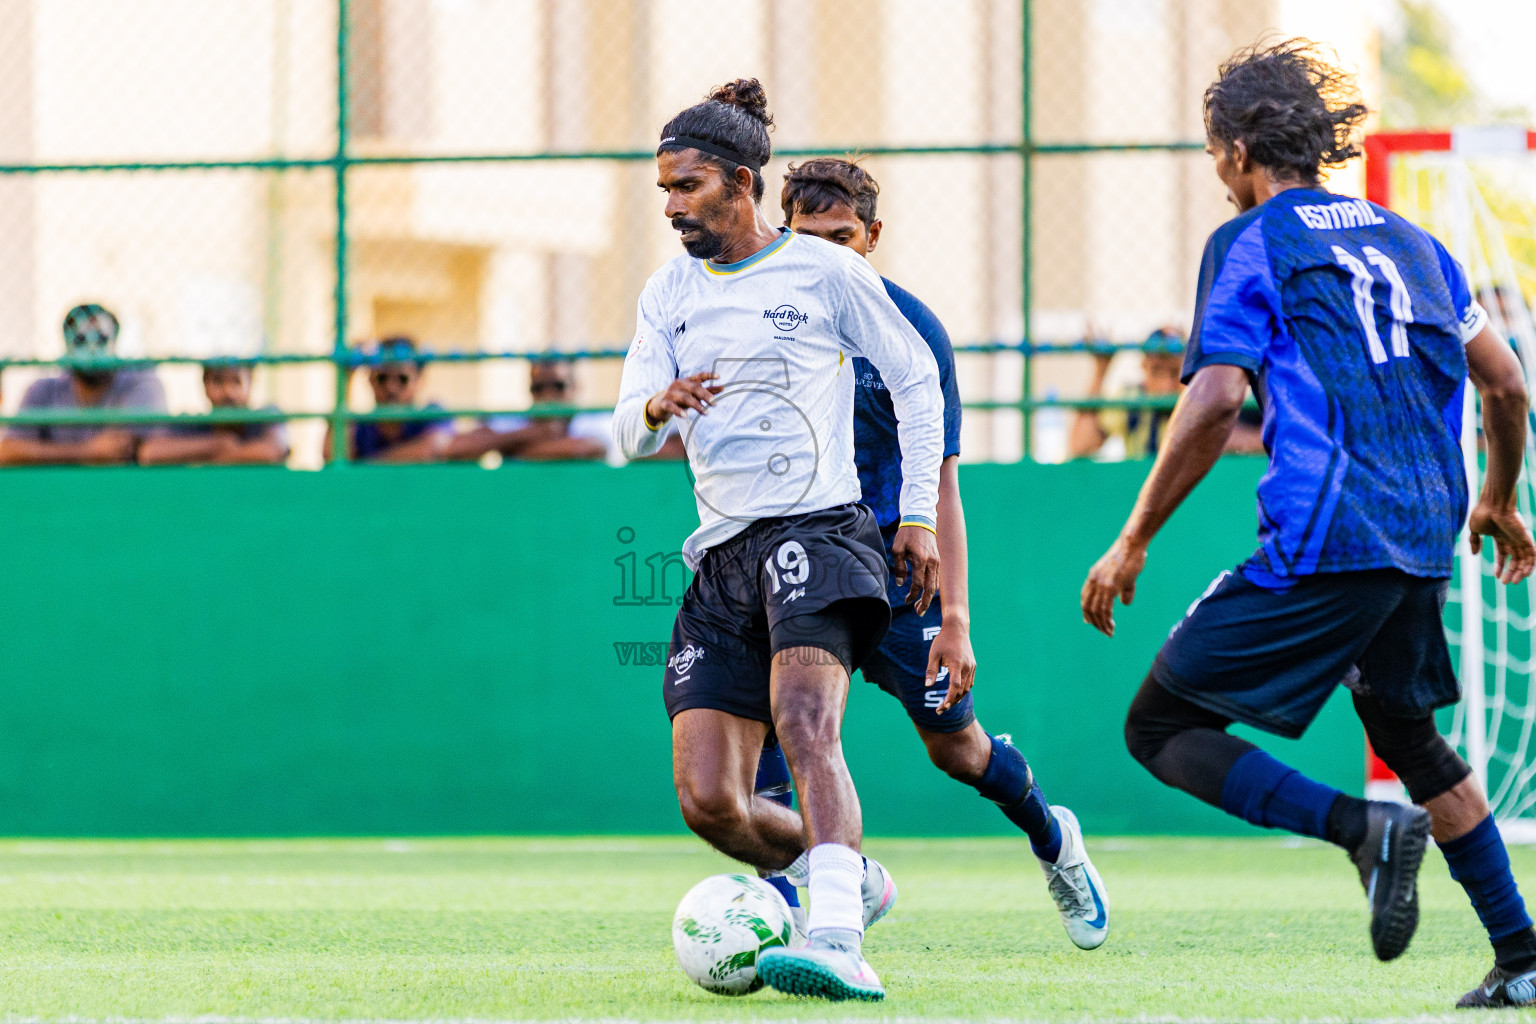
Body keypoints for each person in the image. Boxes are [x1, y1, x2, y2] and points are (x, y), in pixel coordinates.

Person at [1079, 40, 1536, 1007]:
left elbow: (1210, 401)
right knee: (1411, 740)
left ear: (1242, 148)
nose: (1218, 177)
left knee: (1160, 726)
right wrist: (1496, 497)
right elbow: (1505, 382)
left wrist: (1134, 537)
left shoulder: (1252, 240)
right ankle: (1524, 953)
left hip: (1329, 532)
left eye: (1214, 157)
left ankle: (1360, 833)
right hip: (1421, 536)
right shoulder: (1414, 242)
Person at [612, 79, 945, 1002]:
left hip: (821, 530)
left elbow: (916, 381)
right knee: (710, 801)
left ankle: (839, 939)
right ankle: (848, 878)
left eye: (688, 186)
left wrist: (914, 514)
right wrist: (654, 403)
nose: (673, 205)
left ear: (742, 182)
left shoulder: (827, 272)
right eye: (665, 190)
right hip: (721, 558)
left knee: (804, 724)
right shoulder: (667, 293)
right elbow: (625, 431)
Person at [768, 156, 1109, 951]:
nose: (825, 254)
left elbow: (943, 482)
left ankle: (1052, 835)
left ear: (873, 236)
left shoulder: (912, 330)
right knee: (775, 729)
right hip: (792, 561)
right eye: (806, 237)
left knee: (957, 748)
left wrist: (956, 619)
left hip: (891, 570)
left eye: (842, 237)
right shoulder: (767, 315)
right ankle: (805, 900)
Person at [0, 304, 167, 467]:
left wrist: (44, 452)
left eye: (101, 339)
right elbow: (8, 451)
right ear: (66, 346)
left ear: (115, 342)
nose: (92, 350)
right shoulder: (43, 389)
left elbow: (127, 447)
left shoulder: (140, 381)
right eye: (80, 341)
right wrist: (88, 451)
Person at [446, 358, 612, 462]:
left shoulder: (591, 418)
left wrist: (510, 449)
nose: (548, 395)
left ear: (576, 388)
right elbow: (456, 449)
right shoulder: (516, 421)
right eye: (538, 388)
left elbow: (587, 449)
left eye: (558, 386)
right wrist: (533, 433)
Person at [325, 337, 453, 463]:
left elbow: (433, 448)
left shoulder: (432, 414)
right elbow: (330, 455)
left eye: (402, 379)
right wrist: (348, 377)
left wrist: (364, 467)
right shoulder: (363, 426)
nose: (391, 388)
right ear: (370, 380)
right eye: (382, 378)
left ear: (419, 381)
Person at [138, 363, 289, 466]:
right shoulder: (193, 424)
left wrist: (210, 459)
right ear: (204, 386)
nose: (227, 392)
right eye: (217, 382)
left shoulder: (266, 415)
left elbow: (272, 451)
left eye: (237, 382)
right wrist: (218, 444)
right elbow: (150, 452)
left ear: (250, 385)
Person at [1068, 329, 1184, 460]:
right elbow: (1080, 446)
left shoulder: (1195, 403)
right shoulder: (1132, 398)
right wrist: (1101, 371)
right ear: (1144, 367)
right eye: (1156, 371)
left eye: (1175, 372)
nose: (1166, 385)